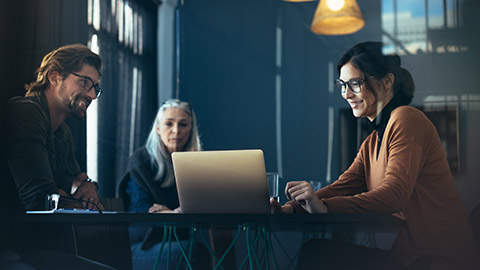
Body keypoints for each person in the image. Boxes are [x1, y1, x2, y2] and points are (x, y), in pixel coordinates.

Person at [271, 41, 479, 270]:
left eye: (355, 84)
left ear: (387, 82)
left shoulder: (406, 118)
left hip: (438, 259)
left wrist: (325, 207)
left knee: (318, 253)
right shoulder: (371, 142)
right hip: (410, 257)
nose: (346, 94)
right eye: (342, 85)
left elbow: (395, 194)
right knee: (317, 250)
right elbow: (343, 186)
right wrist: (292, 207)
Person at [2, 44, 114, 270]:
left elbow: (75, 181)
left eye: (95, 88)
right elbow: (39, 199)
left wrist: (86, 185)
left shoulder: (62, 132)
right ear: (55, 77)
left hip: (34, 248)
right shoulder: (25, 112)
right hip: (10, 248)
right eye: (85, 82)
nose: (92, 94)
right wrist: (66, 195)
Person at [118, 99, 209, 270]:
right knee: (193, 251)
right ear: (158, 128)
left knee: (216, 247)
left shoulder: (195, 164)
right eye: (169, 124)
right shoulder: (141, 161)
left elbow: (202, 206)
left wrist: (172, 213)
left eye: (183, 124)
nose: (176, 131)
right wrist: (177, 213)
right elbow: (142, 210)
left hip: (178, 241)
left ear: (190, 130)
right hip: (142, 247)